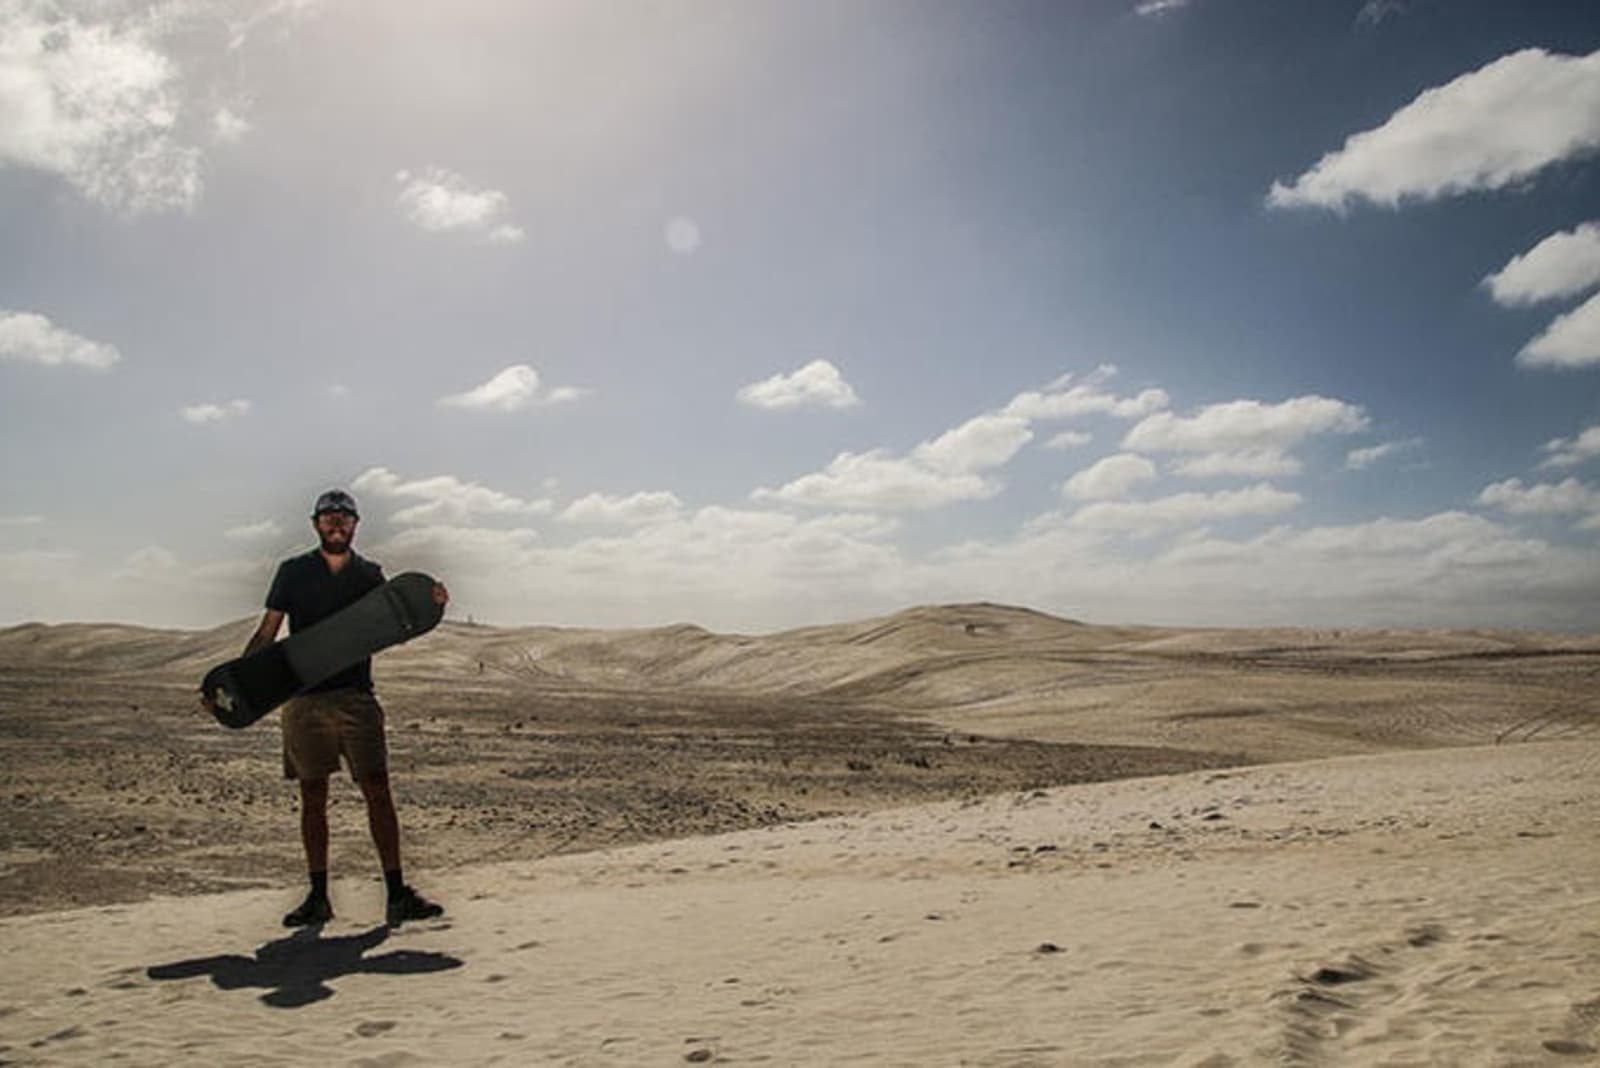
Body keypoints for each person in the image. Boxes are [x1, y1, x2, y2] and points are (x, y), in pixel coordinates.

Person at [205, 488, 448, 928]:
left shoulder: (370, 575)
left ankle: (396, 894)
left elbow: (395, 626)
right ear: (315, 524)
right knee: (312, 798)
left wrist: (430, 605)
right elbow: (267, 634)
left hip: (356, 695)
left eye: (344, 518)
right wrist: (237, 684)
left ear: (356, 524)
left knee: (378, 792)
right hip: (304, 700)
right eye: (328, 517)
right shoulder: (293, 573)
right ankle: (318, 897)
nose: (336, 524)